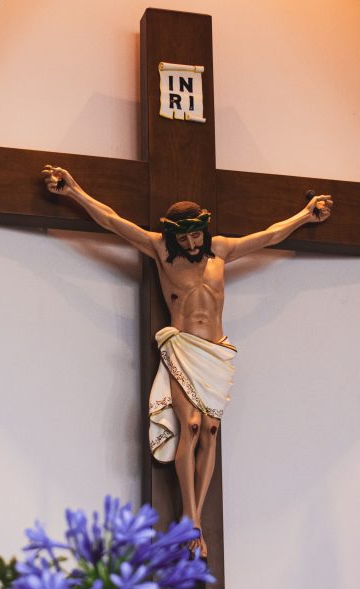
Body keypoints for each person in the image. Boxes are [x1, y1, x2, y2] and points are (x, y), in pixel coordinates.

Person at [41, 165, 332, 559]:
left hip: (216, 351)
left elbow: (268, 235)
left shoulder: (222, 251)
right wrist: (74, 190)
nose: (191, 241)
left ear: (205, 230)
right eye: (184, 235)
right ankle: (190, 521)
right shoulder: (161, 251)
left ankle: (193, 519)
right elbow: (112, 221)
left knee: (210, 430)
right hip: (182, 347)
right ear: (173, 234)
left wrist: (305, 215)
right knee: (190, 426)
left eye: (196, 233)